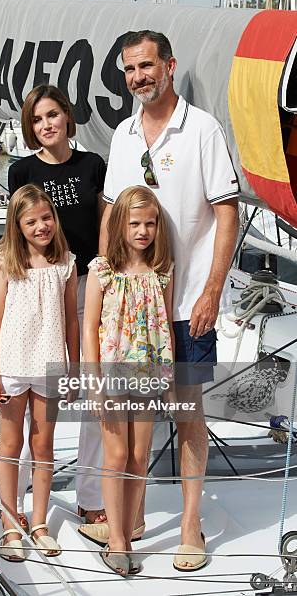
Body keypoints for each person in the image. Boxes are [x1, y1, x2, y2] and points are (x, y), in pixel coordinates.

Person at [98, 30, 239, 571]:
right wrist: (104, 283)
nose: (138, 77)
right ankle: (128, 519)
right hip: (134, 312)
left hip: (186, 308)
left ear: (169, 65)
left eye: (146, 65)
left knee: (187, 415)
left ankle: (188, 525)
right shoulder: (124, 135)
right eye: (130, 69)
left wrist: (211, 291)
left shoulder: (202, 129)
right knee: (130, 422)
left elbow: (226, 213)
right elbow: (113, 212)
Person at [8, 84, 109, 530]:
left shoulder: (94, 166)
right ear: (30, 127)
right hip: (35, 289)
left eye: (52, 115)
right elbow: (14, 232)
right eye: (37, 119)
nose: (46, 124)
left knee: (92, 392)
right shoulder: (21, 170)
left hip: (87, 285)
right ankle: (23, 505)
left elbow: (106, 224)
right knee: (32, 394)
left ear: (67, 117)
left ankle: (90, 496)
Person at [0, 184, 79, 560]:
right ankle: (10, 521)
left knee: (43, 446)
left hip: (50, 365)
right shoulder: (7, 262)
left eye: (46, 218)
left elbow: (71, 320)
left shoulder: (66, 263)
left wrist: (73, 368)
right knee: (10, 445)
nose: (41, 226)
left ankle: (38, 522)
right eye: (31, 222)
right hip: (11, 366)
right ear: (17, 226)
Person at [83, 185, 174, 576]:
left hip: (149, 374)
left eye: (150, 223)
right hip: (114, 373)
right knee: (116, 455)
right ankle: (116, 540)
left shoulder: (162, 272)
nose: (143, 231)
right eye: (135, 223)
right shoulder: (102, 270)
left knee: (139, 456)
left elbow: (165, 325)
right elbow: (89, 327)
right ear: (120, 224)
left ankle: (129, 526)